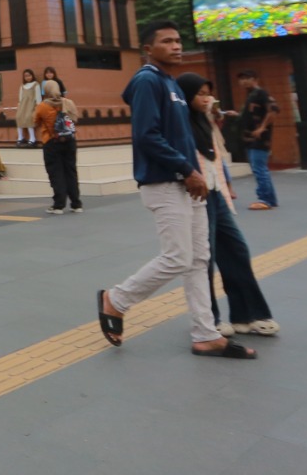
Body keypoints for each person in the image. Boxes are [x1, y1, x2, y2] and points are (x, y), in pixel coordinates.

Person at [95, 22, 255, 360]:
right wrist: (186, 169)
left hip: (187, 182)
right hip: (165, 183)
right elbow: (147, 136)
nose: (176, 45)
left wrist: (197, 170)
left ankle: (206, 334)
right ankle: (117, 299)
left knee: (199, 259)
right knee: (178, 257)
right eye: (167, 41)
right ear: (148, 50)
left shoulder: (172, 85)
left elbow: (182, 136)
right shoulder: (147, 81)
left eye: (179, 40)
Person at [177, 74, 279, 338]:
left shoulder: (203, 120)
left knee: (236, 250)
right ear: (186, 96)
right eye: (199, 93)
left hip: (216, 193)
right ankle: (209, 318)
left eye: (208, 93)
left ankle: (248, 314)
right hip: (196, 195)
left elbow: (215, 156)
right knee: (204, 258)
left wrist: (228, 186)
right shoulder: (179, 122)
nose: (206, 98)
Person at [35, 80, 82, 214]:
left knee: (56, 173)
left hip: (51, 142)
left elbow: (35, 121)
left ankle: (58, 205)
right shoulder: (68, 102)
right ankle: (76, 203)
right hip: (70, 141)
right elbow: (75, 118)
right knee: (71, 171)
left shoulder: (42, 106)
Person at [236, 70, 280, 210]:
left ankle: (265, 200)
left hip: (259, 139)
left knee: (259, 169)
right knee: (260, 169)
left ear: (255, 79)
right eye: (241, 79)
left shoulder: (260, 93)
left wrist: (262, 128)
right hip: (250, 139)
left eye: (247, 78)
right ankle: (271, 199)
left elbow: (273, 110)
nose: (243, 81)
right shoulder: (251, 96)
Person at [10, 69, 41, 146]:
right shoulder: (22, 86)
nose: (28, 77)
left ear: (32, 75)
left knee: (28, 118)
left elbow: (38, 97)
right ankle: (20, 137)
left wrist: (38, 106)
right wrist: (19, 105)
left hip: (31, 105)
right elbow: (20, 98)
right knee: (19, 117)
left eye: (29, 75)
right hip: (23, 105)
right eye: (26, 76)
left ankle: (32, 138)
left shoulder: (35, 84)